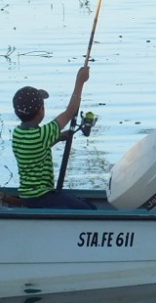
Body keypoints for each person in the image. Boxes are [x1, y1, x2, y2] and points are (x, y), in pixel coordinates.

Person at [11, 66, 95, 209]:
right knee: (88, 209)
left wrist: (58, 137)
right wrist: (80, 81)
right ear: (40, 112)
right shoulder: (42, 134)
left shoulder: (18, 133)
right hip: (42, 197)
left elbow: (35, 150)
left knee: (85, 204)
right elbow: (70, 112)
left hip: (28, 197)